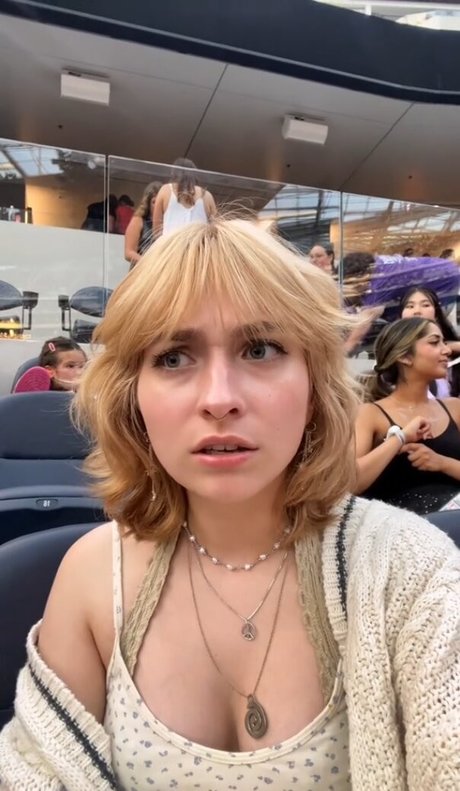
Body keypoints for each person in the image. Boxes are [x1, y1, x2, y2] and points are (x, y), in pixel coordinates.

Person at [0, 221, 458, 790]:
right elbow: (36, 770)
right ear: (132, 397)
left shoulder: (412, 571)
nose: (219, 400)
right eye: (173, 357)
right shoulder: (91, 576)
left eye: (260, 349)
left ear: (314, 385)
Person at [355, 316, 460, 513]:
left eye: (444, 343)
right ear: (405, 356)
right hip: (400, 525)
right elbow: (350, 482)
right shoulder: (369, 414)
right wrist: (400, 438)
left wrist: (442, 463)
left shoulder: (455, 408)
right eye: (434, 342)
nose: (446, 350)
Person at [400, 284, 460, 397]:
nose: (417, 311)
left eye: (425, 305)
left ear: (436, 314)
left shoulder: (449, 359)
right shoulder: (391, 355)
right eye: (410, 306)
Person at [153, 157, 216, 237]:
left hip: (171, 243)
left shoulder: (165, 190)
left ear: (173, 173)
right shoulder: (207, 196)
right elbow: (215, 230)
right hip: (198, 244)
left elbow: (156, 231)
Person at [13, 336, 87, 393]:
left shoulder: (88, 395)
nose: (79, 372)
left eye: (82, 366)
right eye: (70, 366)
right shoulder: (35, 393)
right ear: (50, 371)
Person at [124, 181, 162, 269]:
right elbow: (129, 252)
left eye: (160, 202)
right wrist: (149, 263)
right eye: (154, 202)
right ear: (148, 203)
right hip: (142, 271)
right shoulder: (139, 220)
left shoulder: (167, 223)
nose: (157, 205)